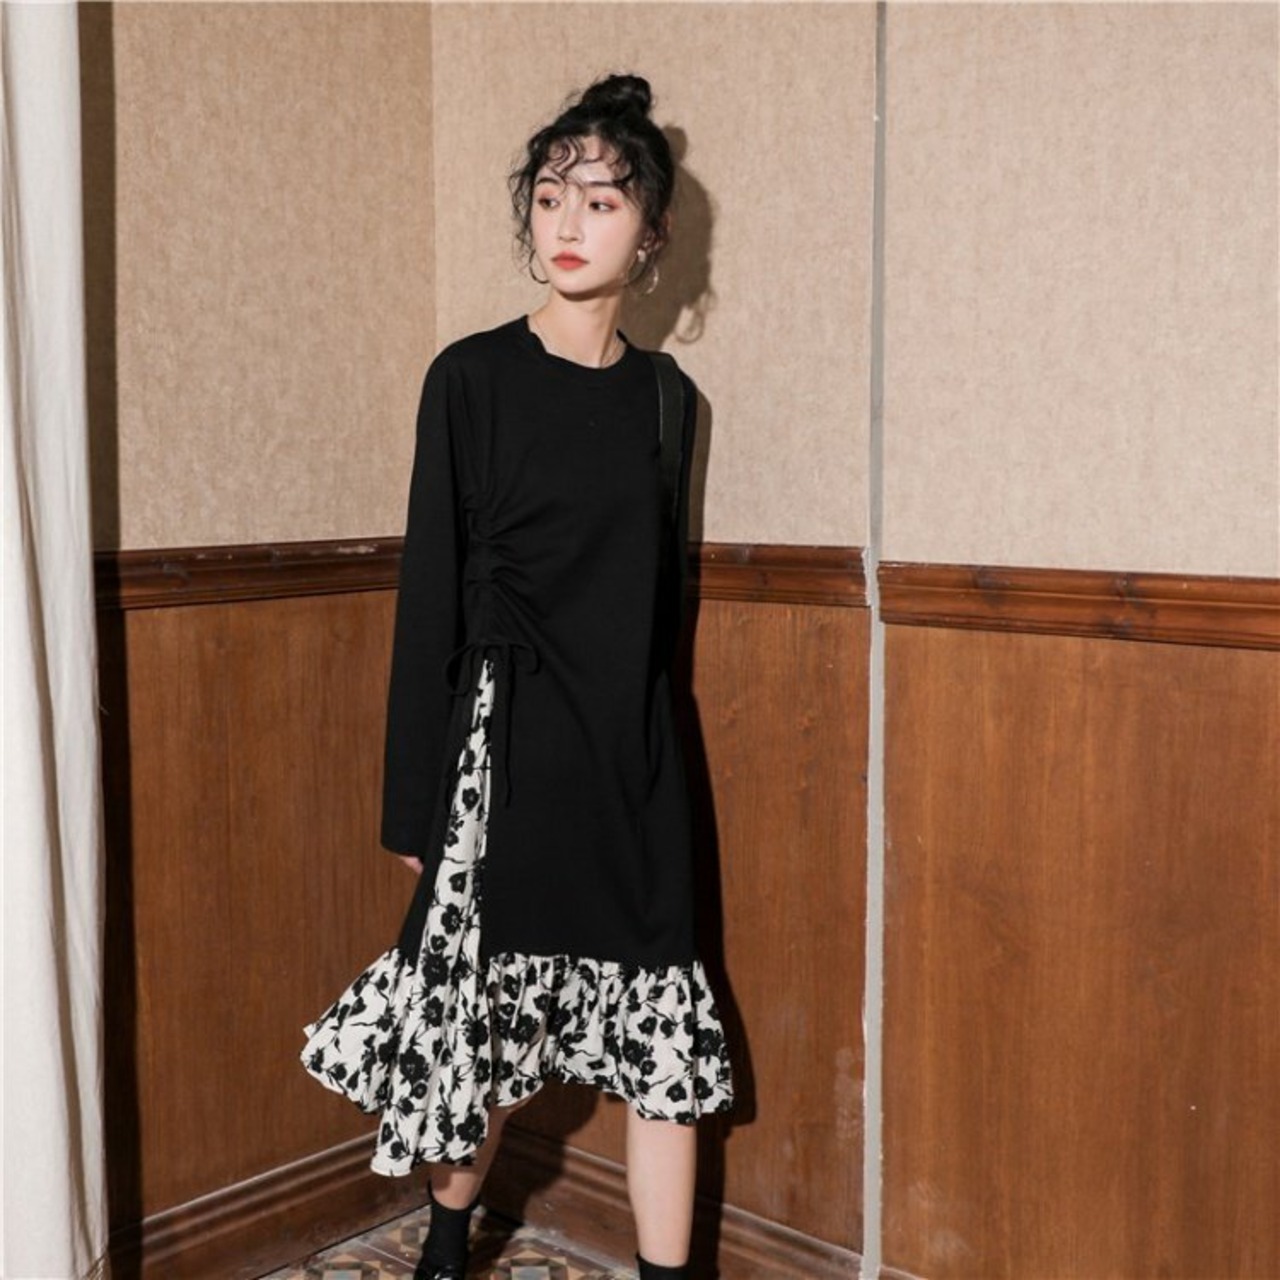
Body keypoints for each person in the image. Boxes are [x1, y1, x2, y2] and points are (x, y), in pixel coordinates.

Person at [301, 73, 734, 1280]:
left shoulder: (670, 401)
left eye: (600, 200)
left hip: (632, 759)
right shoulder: (471, 379)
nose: (567, 222)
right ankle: (446, 1249)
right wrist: (413, 802)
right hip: (499, 757)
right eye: (550, 196)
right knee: (476, 1024)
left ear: (650, 234)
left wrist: (652, 768)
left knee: (661, 1028)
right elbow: (428, 595)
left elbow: (662, 610)